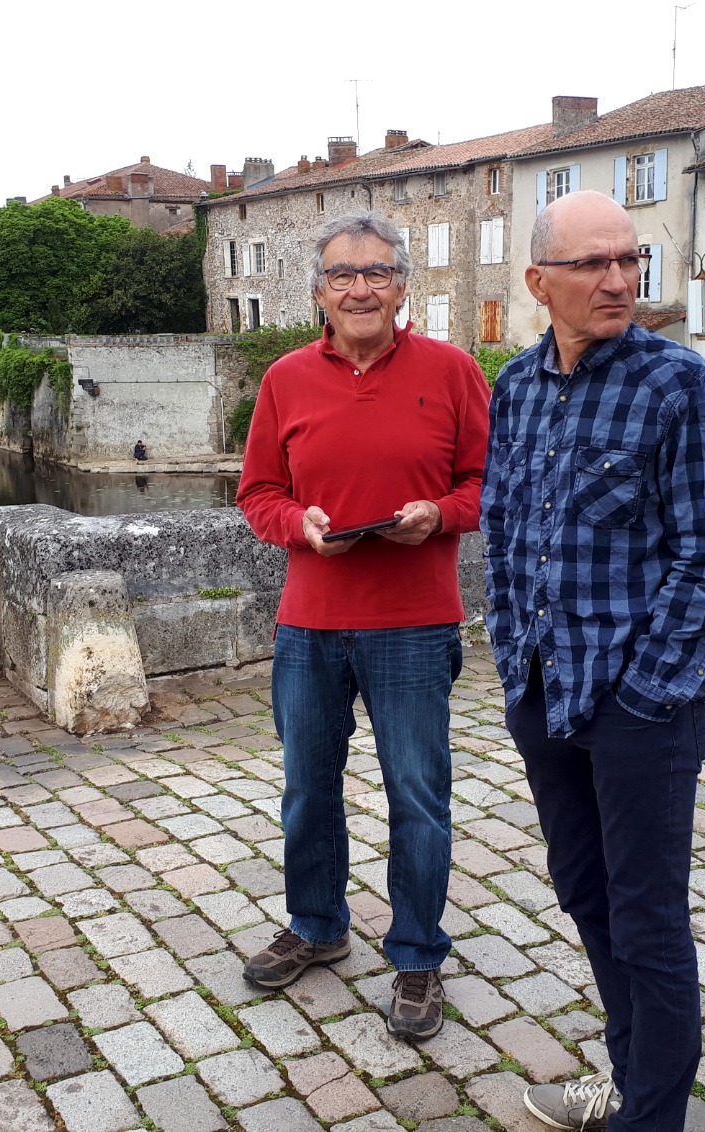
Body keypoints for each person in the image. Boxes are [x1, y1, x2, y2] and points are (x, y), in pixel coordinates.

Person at [481, 191, 705, 1131]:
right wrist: (511, 659)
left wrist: (645, 692)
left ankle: (651, 1117)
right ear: (539, 281)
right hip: (543, 692)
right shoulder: (516, 387)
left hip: (641, 710)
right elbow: (507, 532)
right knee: (585, 893)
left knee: (648, 922)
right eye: (592, 263)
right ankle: (632, 1079)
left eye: (629, 259)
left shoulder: (679, 386)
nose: (618, 279)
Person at [236, 210, 490, 1041]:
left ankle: (416, 954)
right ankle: (317, 926)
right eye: (342, 275)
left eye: (376, 272)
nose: (359, 289)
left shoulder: (453, 372)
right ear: (318, 292)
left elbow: (490, 482)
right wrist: (298, 526)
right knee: (307, 790)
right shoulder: (284, 380)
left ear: (402, 286)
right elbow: (258, 493)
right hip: (309, 625)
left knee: (418, 795)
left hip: (414, 624)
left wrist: (439, 514)